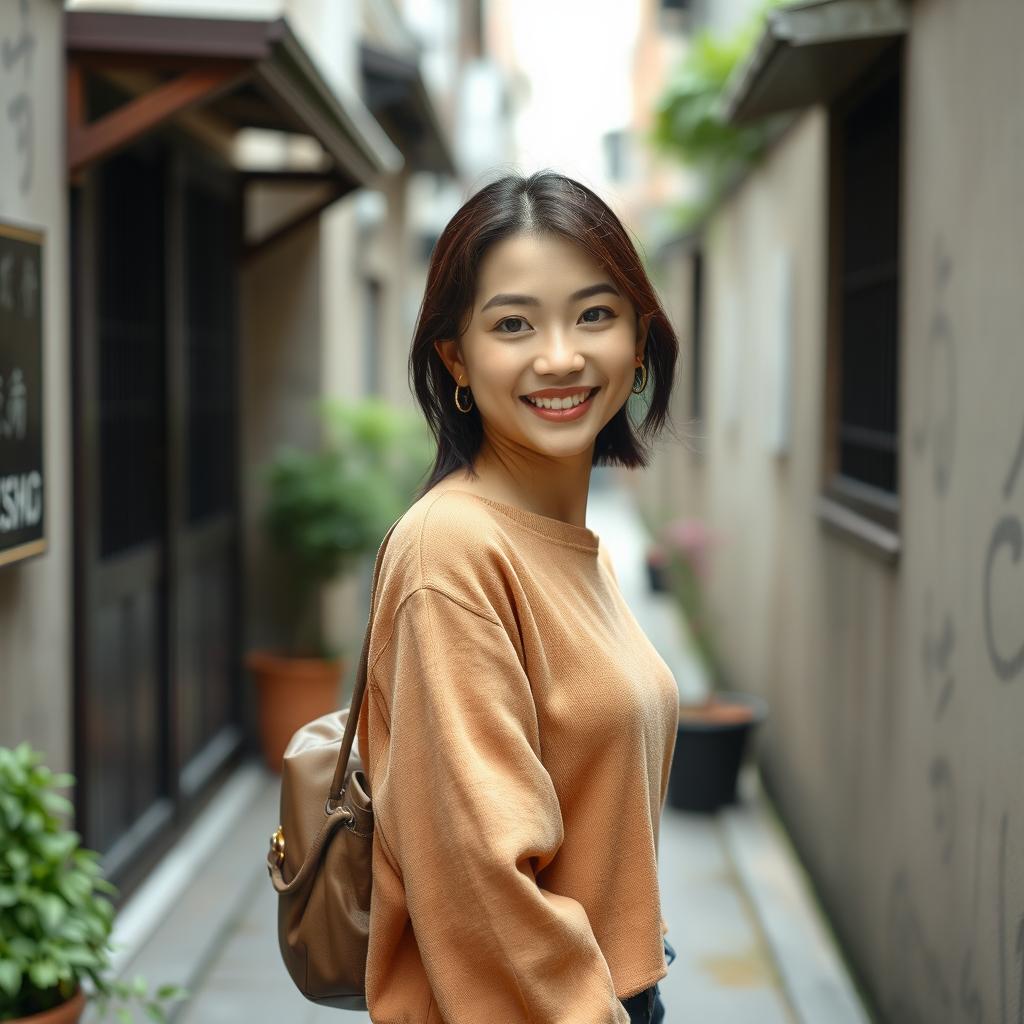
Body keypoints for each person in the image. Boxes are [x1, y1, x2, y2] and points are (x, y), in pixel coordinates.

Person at [355, 169, 682, 1023]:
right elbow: (479, 879)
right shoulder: (453, 551)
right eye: (513, 324)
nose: (561, 355)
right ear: (456, 357)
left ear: (639, 339)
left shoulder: (577, 550)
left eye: (595, 314)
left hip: (615, 982)